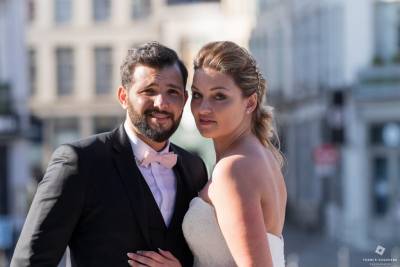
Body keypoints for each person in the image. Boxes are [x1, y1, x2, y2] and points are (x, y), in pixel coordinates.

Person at [11, 41, 208, 267]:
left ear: (184, 99)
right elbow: (29, 262)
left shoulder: (194, 168)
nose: (161, 103)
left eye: (172, 92)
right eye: (149, 91)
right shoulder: (79, 162)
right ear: (123, 97)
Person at [128, 41, 287, 267]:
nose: (203, 109)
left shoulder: (234, 168)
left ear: (250, 102)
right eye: (197, 95)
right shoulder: (261, 156)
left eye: (219, 96)